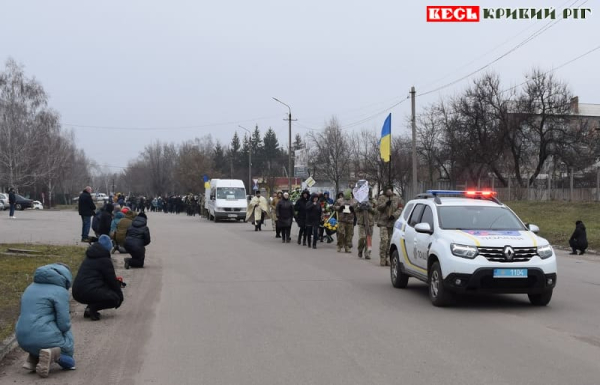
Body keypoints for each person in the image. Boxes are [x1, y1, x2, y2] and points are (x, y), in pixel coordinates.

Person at [16, 263, 76, 377]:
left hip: (21, 337)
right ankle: (54, 354)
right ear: (65, 277)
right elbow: (64, 324)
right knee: (70, 360)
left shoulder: (30, 287)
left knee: (38, 328)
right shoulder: (60, 291)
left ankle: (32, 360)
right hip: (44, 338)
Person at [72, 235, 124, 321]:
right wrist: (120, 296)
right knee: (114, 298)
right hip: (88, 291)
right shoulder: (105, 260)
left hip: (76, 292)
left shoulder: (89, 257)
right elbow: (111, 281)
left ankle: (89, 308)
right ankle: (93, 308)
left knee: (98, 289)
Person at [376, 186, 403, 266]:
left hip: (392, 223)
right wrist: (385, 204)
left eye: (390, 190)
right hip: (383, 222)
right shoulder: (381, 198)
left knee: (390, 241)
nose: (388, 191)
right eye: (387, 190)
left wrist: (394, 215)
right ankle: (382, 258)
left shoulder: (397, 198)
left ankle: (388, 258)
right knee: (384, 240)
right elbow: (378, 208)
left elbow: (400, 208)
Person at [333, 189, 358, 253]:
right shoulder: (339, 200)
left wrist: (353, 209)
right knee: (341, 233)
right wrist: (340, 208)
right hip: (342, 220)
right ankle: (339, 245)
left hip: (350, 220)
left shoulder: (354, 201)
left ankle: (347, 247)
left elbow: (357, 209)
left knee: (349, 234)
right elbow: (334, 207)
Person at [354, 191, 377, 259]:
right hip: (361, 222)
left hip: (370, 223)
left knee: (369, 238)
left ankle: (367, 253)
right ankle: (360, 250)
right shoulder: (359, 200)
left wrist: (370, 208)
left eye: (368, 192)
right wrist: (360, 207)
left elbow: (376, 211)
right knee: (362, 237)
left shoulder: (373, 201)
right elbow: (354, 209)